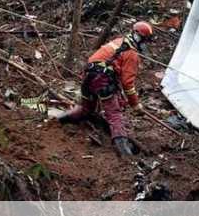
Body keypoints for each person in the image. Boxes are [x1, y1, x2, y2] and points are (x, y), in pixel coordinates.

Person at [58, 21, 153, 156]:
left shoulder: (118, 41)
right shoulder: (132, 54)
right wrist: (135, 104)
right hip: (103, 79)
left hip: (89, 75)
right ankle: (125, 154)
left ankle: (58, 121)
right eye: (145, 41)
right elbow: (128, 84)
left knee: (86, 108)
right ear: (141, 39)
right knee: (114, 115)